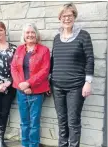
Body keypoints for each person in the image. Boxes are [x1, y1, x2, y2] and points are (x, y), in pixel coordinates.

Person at [50, 3, 94, 147]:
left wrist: (88, 82)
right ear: (60, 18)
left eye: (69, 15)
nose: (66, 18)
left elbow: (89, 58)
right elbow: (53, 61)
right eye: (64, 16)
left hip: (75, 87)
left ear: (74, 16)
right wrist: (48, 81)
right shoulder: (57, 38)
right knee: (62, 121)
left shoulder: (83, 36)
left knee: (73, 122)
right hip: (57, 87)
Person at [11, 23, 51, 147]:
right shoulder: (19, 50)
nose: (30, 35)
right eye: (27, 32)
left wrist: (29, 84)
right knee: (24, 122)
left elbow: (45, 71)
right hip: (21, 91)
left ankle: (33, 145)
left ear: (36, 34)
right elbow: (13, 68)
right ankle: (25, 144)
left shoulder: (44, 50)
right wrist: (21, 85)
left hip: (37, 92)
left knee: (34, 122)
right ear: (24, 35)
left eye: (32, 32)